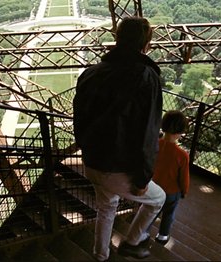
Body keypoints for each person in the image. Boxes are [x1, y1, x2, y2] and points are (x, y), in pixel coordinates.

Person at [73, 16, 166, 261]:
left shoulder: (91, 73)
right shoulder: (146, 76)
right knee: (157, 199)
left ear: (117, 38)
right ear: (146, 44)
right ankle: (132, 242)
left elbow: (79, 119)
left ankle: (100, 255)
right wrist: (143, 176)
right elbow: (147, 131)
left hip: (92, 162)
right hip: (117, 168)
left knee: (107, 207)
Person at [152, 110, 190, 245]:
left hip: (153, 187)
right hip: (171, 192)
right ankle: (162, 236)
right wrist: (184, 191)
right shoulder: (182, 155)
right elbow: (183, 178)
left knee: (150, 211)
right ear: (180, 131)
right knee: (168, 214)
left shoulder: (154, 144)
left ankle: (142, 232)